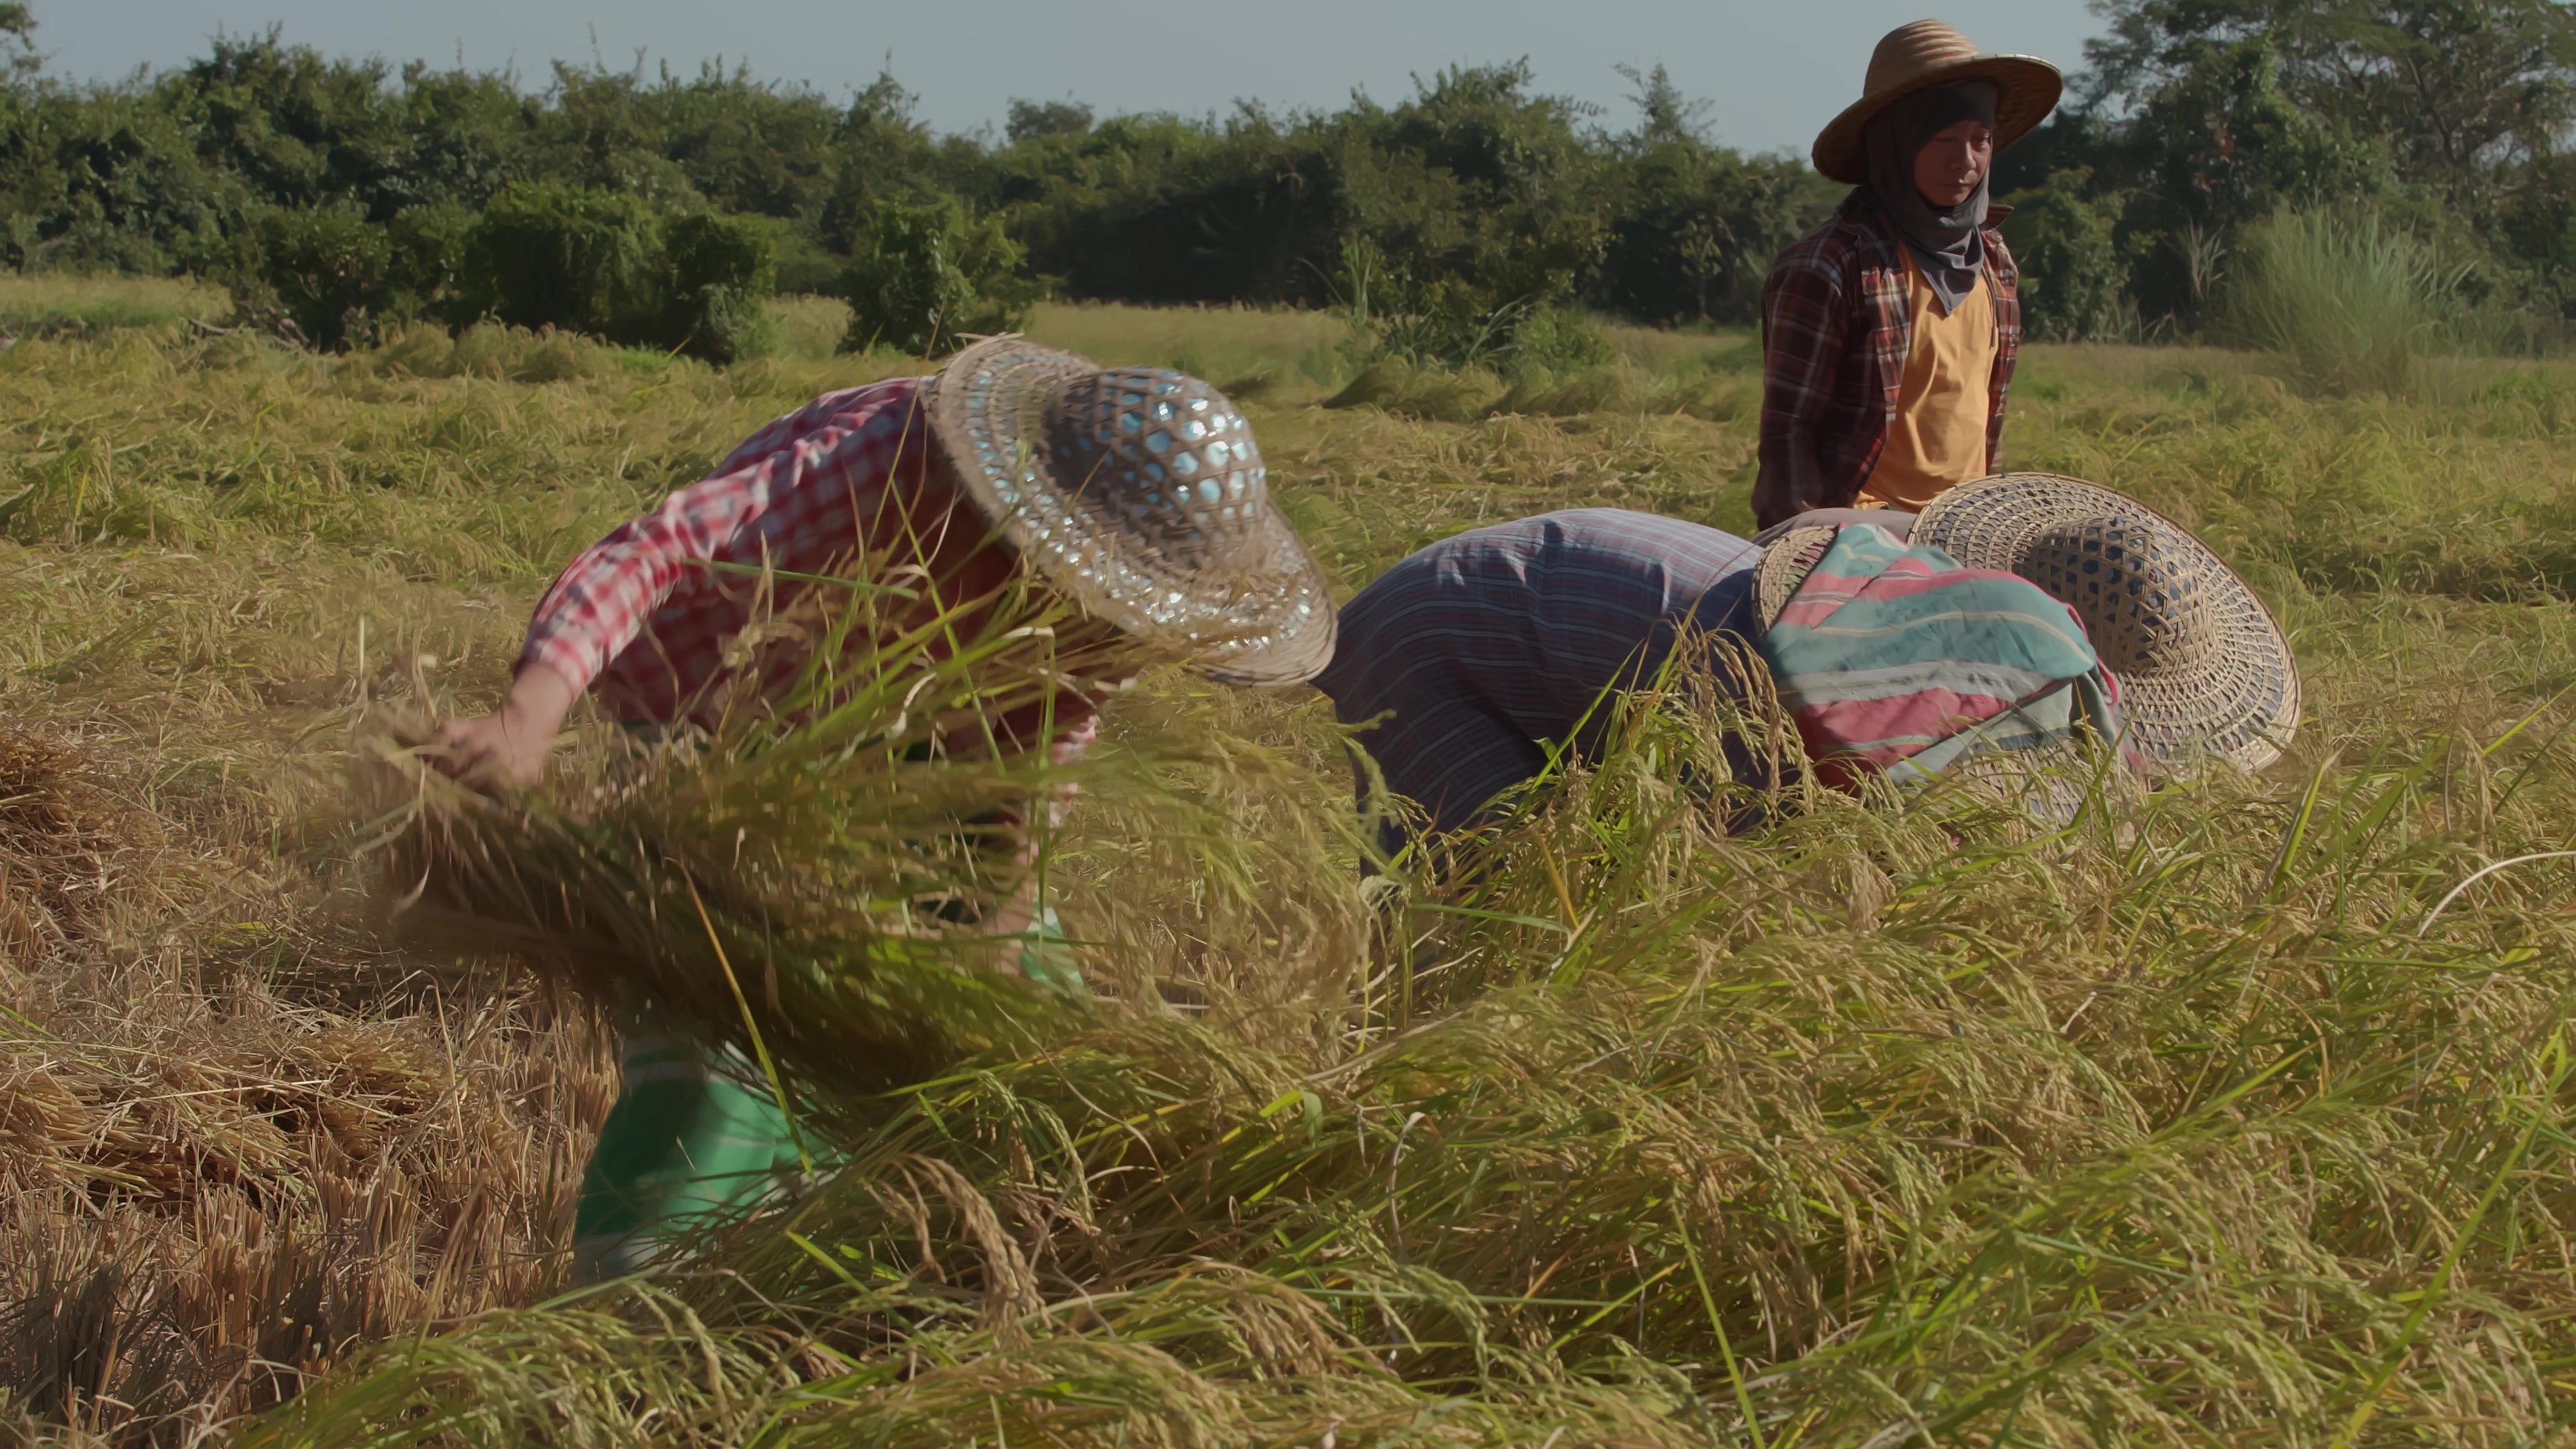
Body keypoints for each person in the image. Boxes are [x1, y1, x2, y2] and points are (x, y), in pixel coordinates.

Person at [431, 335, 1336, 1275]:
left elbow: (1034, 769)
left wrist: (993, 931)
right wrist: (525, 720)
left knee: (1023, 1006)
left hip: (916, 733)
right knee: (722, 1035)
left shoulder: (1098, 620)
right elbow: (658, 553)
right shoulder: (880, 464)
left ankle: (936, 1247)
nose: (1094, 627)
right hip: (717, 724)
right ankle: (640, 1298)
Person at [1312, 477, 2300, 853]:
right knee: (1499, 920)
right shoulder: (1786, 708)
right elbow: (1717, 896)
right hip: (1435, 638)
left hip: (1560, 616)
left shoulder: (2013, 665)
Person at [1754, 19, 2064, 531]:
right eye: (1943, 139)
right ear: (1896, 141)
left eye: (1980, 140)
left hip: (1967, 525)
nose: (1964, 161)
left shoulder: (1994, 262)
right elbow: (1789, 432)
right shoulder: (1832, 266)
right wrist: (1804, 550)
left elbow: (1986, 424)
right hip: (1861, 525)